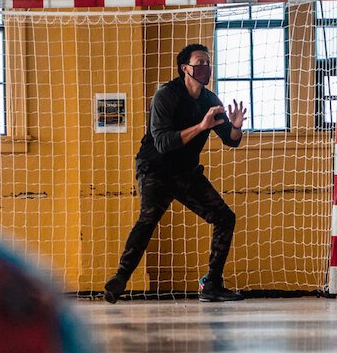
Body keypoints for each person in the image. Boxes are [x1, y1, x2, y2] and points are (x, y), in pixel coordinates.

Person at [104, 43, 247, 303]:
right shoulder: (166, 95)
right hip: (155, 169)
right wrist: (200, 126)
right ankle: (120, 278)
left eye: (208, 62)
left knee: (225, 218)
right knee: (148, 219)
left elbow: (231, 139)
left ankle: (212, 284)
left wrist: (236, 127)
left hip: (185, 172)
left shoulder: (210, 100)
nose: (205, 67)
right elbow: (163, 142)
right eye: (199, 62)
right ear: (185, 68)